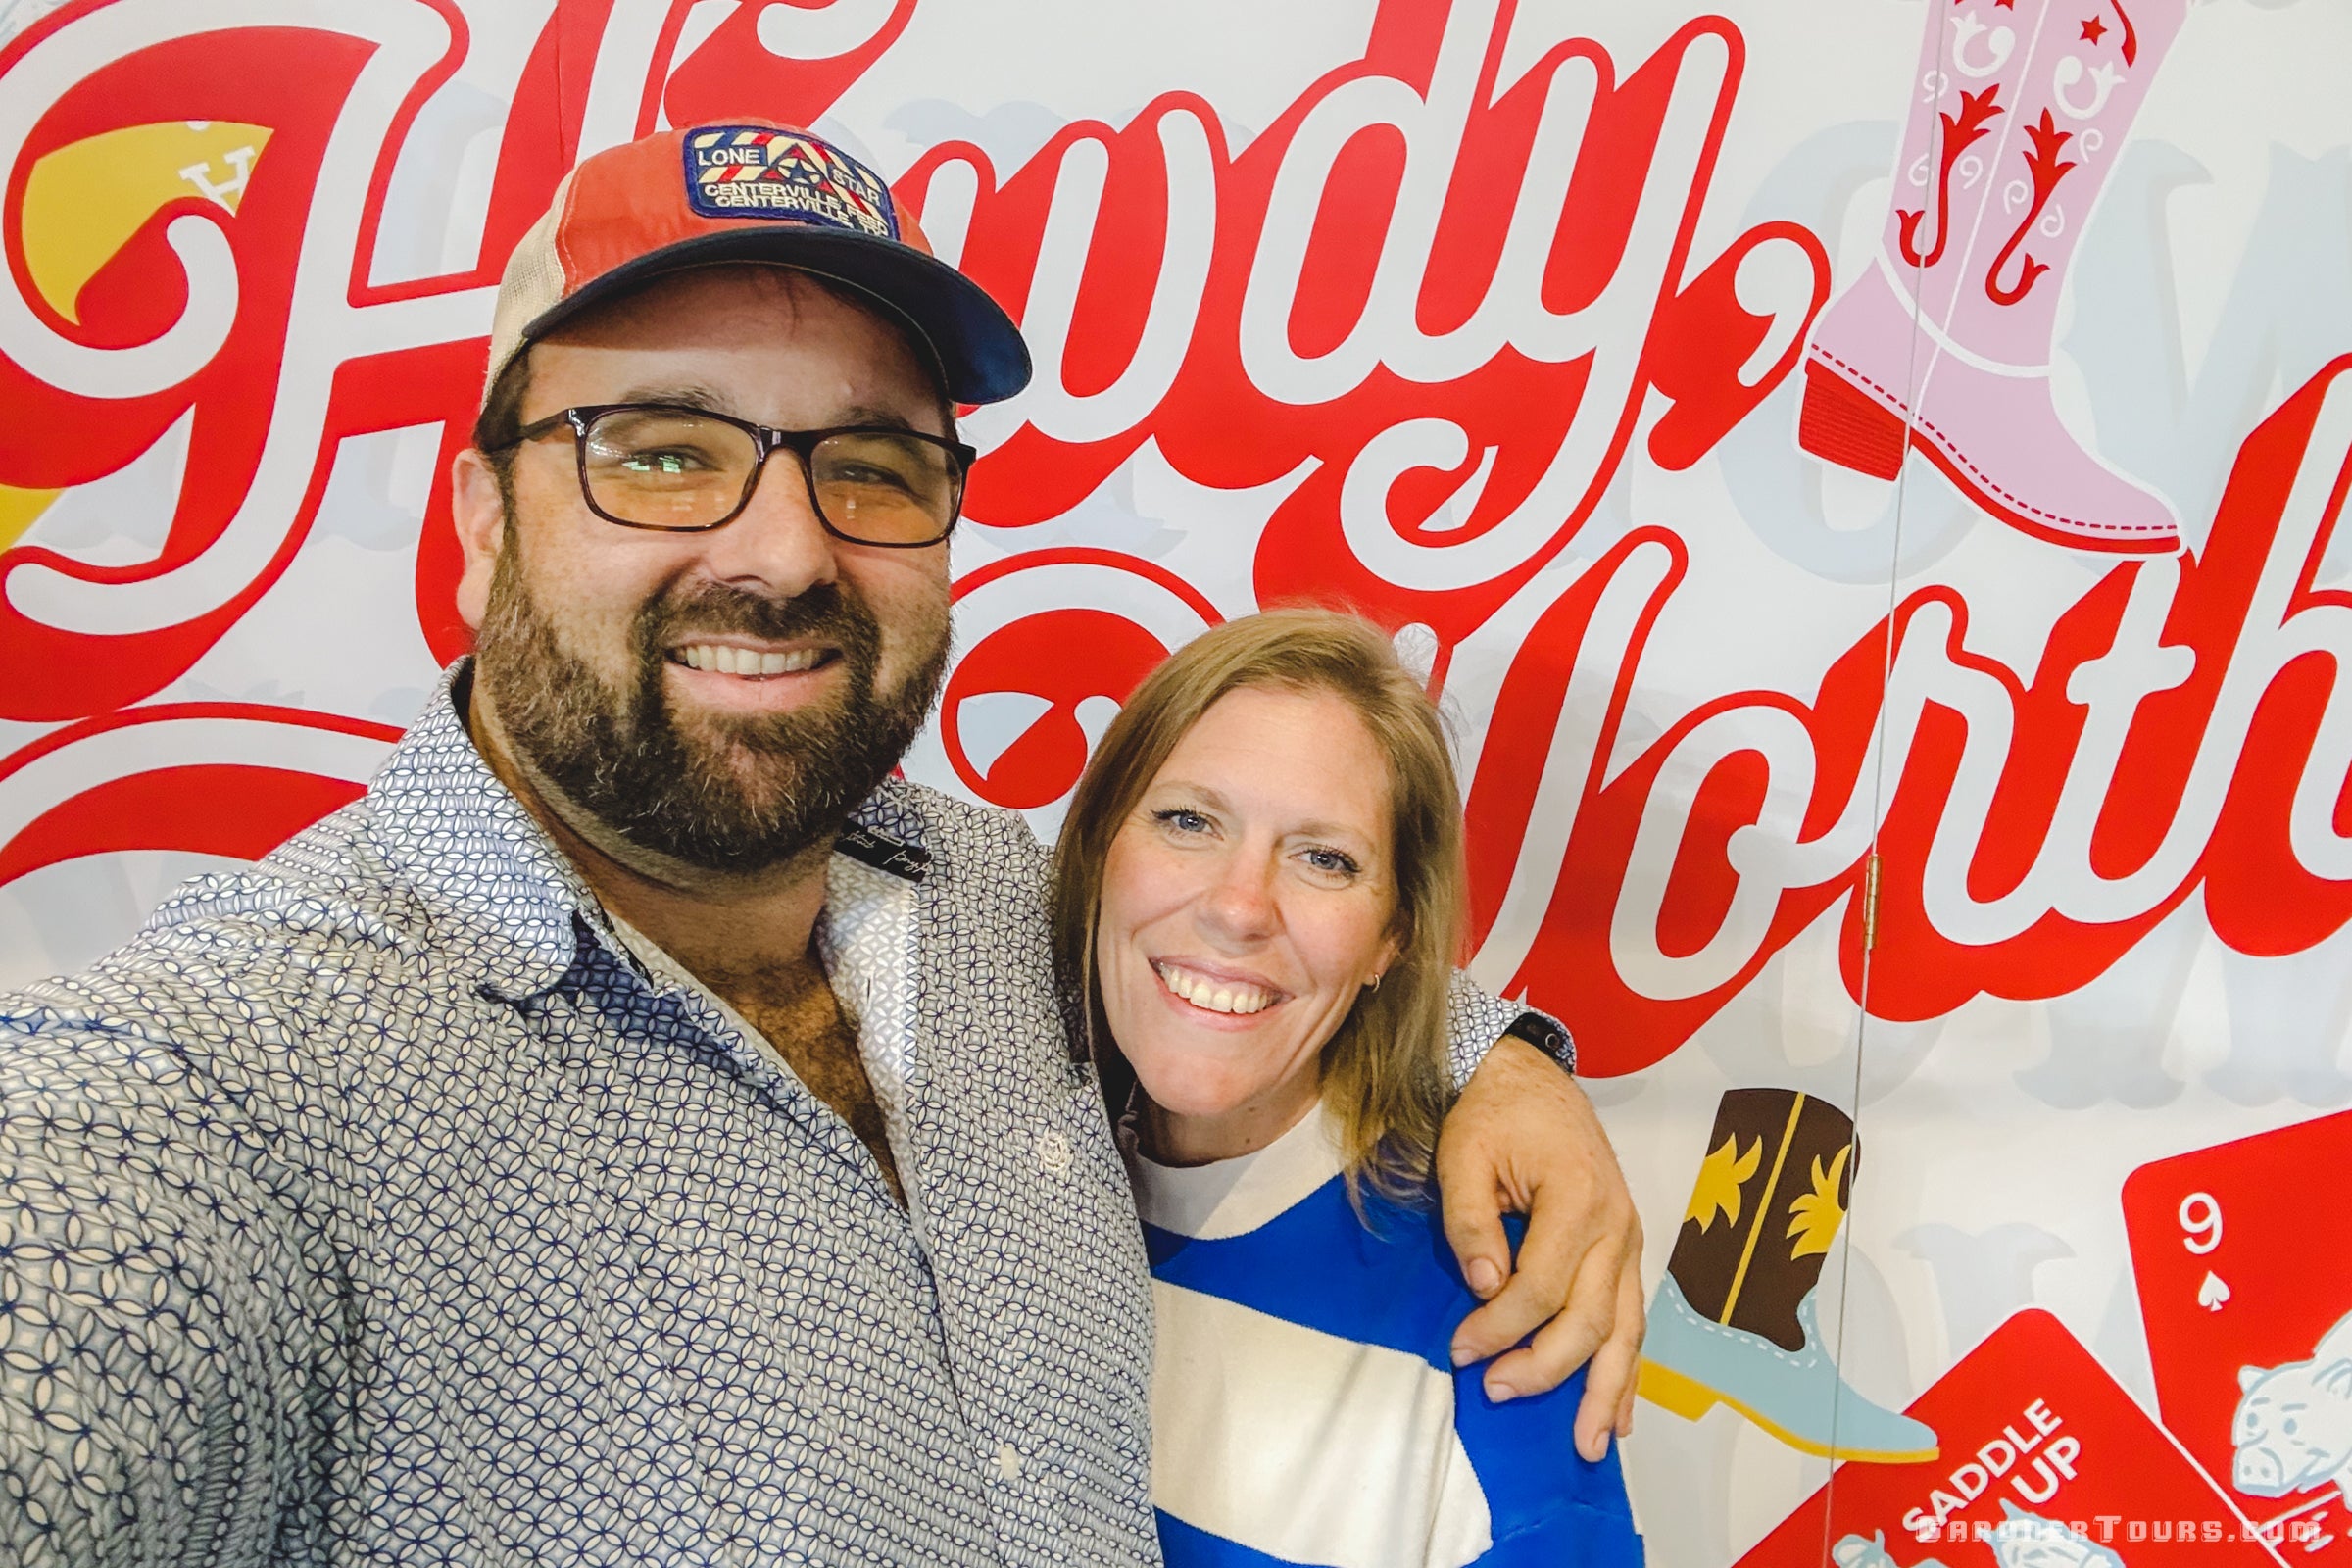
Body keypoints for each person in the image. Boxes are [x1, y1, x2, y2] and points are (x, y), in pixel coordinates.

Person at [0, 121, 1641, 1564]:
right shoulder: (236, 1081)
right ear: (484, 521)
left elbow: (1254, 949)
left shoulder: (1012, 904)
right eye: (662, 452)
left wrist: (1508, 1068)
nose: (783, 552)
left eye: (868, 466)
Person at [1051, 610, 1644, 1567]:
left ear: (1391, 937)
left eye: (1325, 858)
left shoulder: (1491, 1285)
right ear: (1098, 850)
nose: (1240, 907)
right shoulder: (983, 1166)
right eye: (1188, 819)